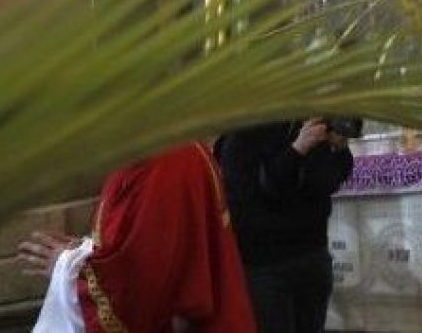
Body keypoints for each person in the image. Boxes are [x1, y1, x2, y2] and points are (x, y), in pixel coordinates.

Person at [17, 142, 256, 332]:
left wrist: (70, 271)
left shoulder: (166, 162)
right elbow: (142, 245)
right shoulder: (147, 152)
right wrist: (83, 252)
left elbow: (148, 296)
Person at [216, 117, 356, 333]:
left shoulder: (308, 126)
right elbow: (265, 192)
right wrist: (298, 149)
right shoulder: (240, 138)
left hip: (311, 255)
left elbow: (326, 182)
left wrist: (338, 149)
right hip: (266, 266)